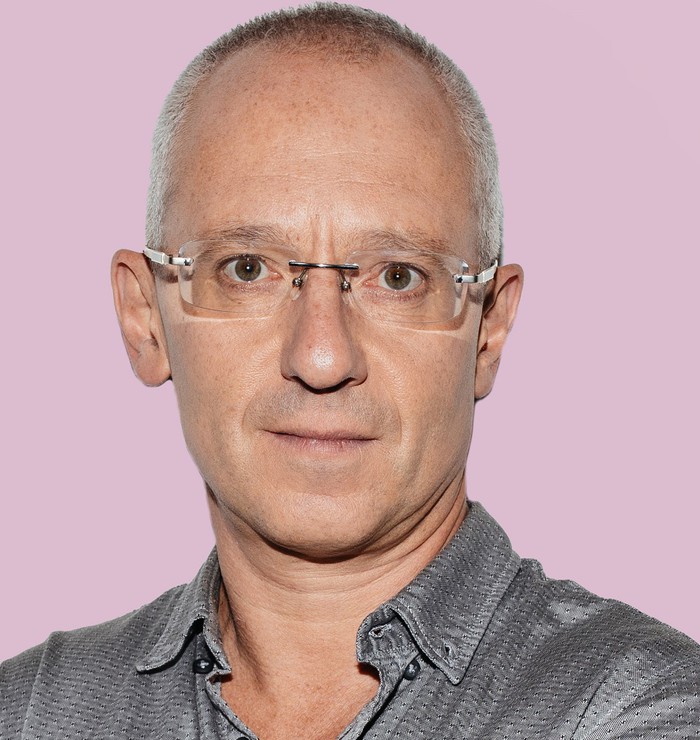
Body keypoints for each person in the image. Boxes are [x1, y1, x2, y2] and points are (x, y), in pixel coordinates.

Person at [2, 4, 698, 738]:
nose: (322, 357)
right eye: (247, 268)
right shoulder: (25, 715)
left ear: (489, 329)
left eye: (398, 276)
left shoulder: (644, 710)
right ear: (145, 319)